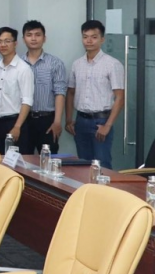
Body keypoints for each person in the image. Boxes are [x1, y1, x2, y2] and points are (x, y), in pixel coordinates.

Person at [65, 20, 125, 169]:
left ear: (102, 39)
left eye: (94, 37)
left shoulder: (112, 64)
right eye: (85, 37)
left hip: (101, 121)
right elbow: (70, 92)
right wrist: (68, 119)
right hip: (80, 121)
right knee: (83, 165)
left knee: (102, 164)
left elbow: (120, 97)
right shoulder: (77, 64)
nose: (89, 41)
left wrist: (107, 125)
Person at [0, 27, 34, 154]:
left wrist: (17, 127)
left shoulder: (23, 69)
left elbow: (27, 101)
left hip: (14, 122)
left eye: (7, 41)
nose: (3, 45)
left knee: (15, 162)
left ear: (15, 43)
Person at [21, 20, 68, 155]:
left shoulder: (55, 63)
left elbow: (60, 93)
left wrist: (57, 121)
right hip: (23, 119)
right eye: (29, 35)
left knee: (48, 160)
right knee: (23, 159)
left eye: (38, 35)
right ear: (23, 39)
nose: (33, 38)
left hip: (47, 120)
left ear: (44, 38)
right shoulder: (18, 63)